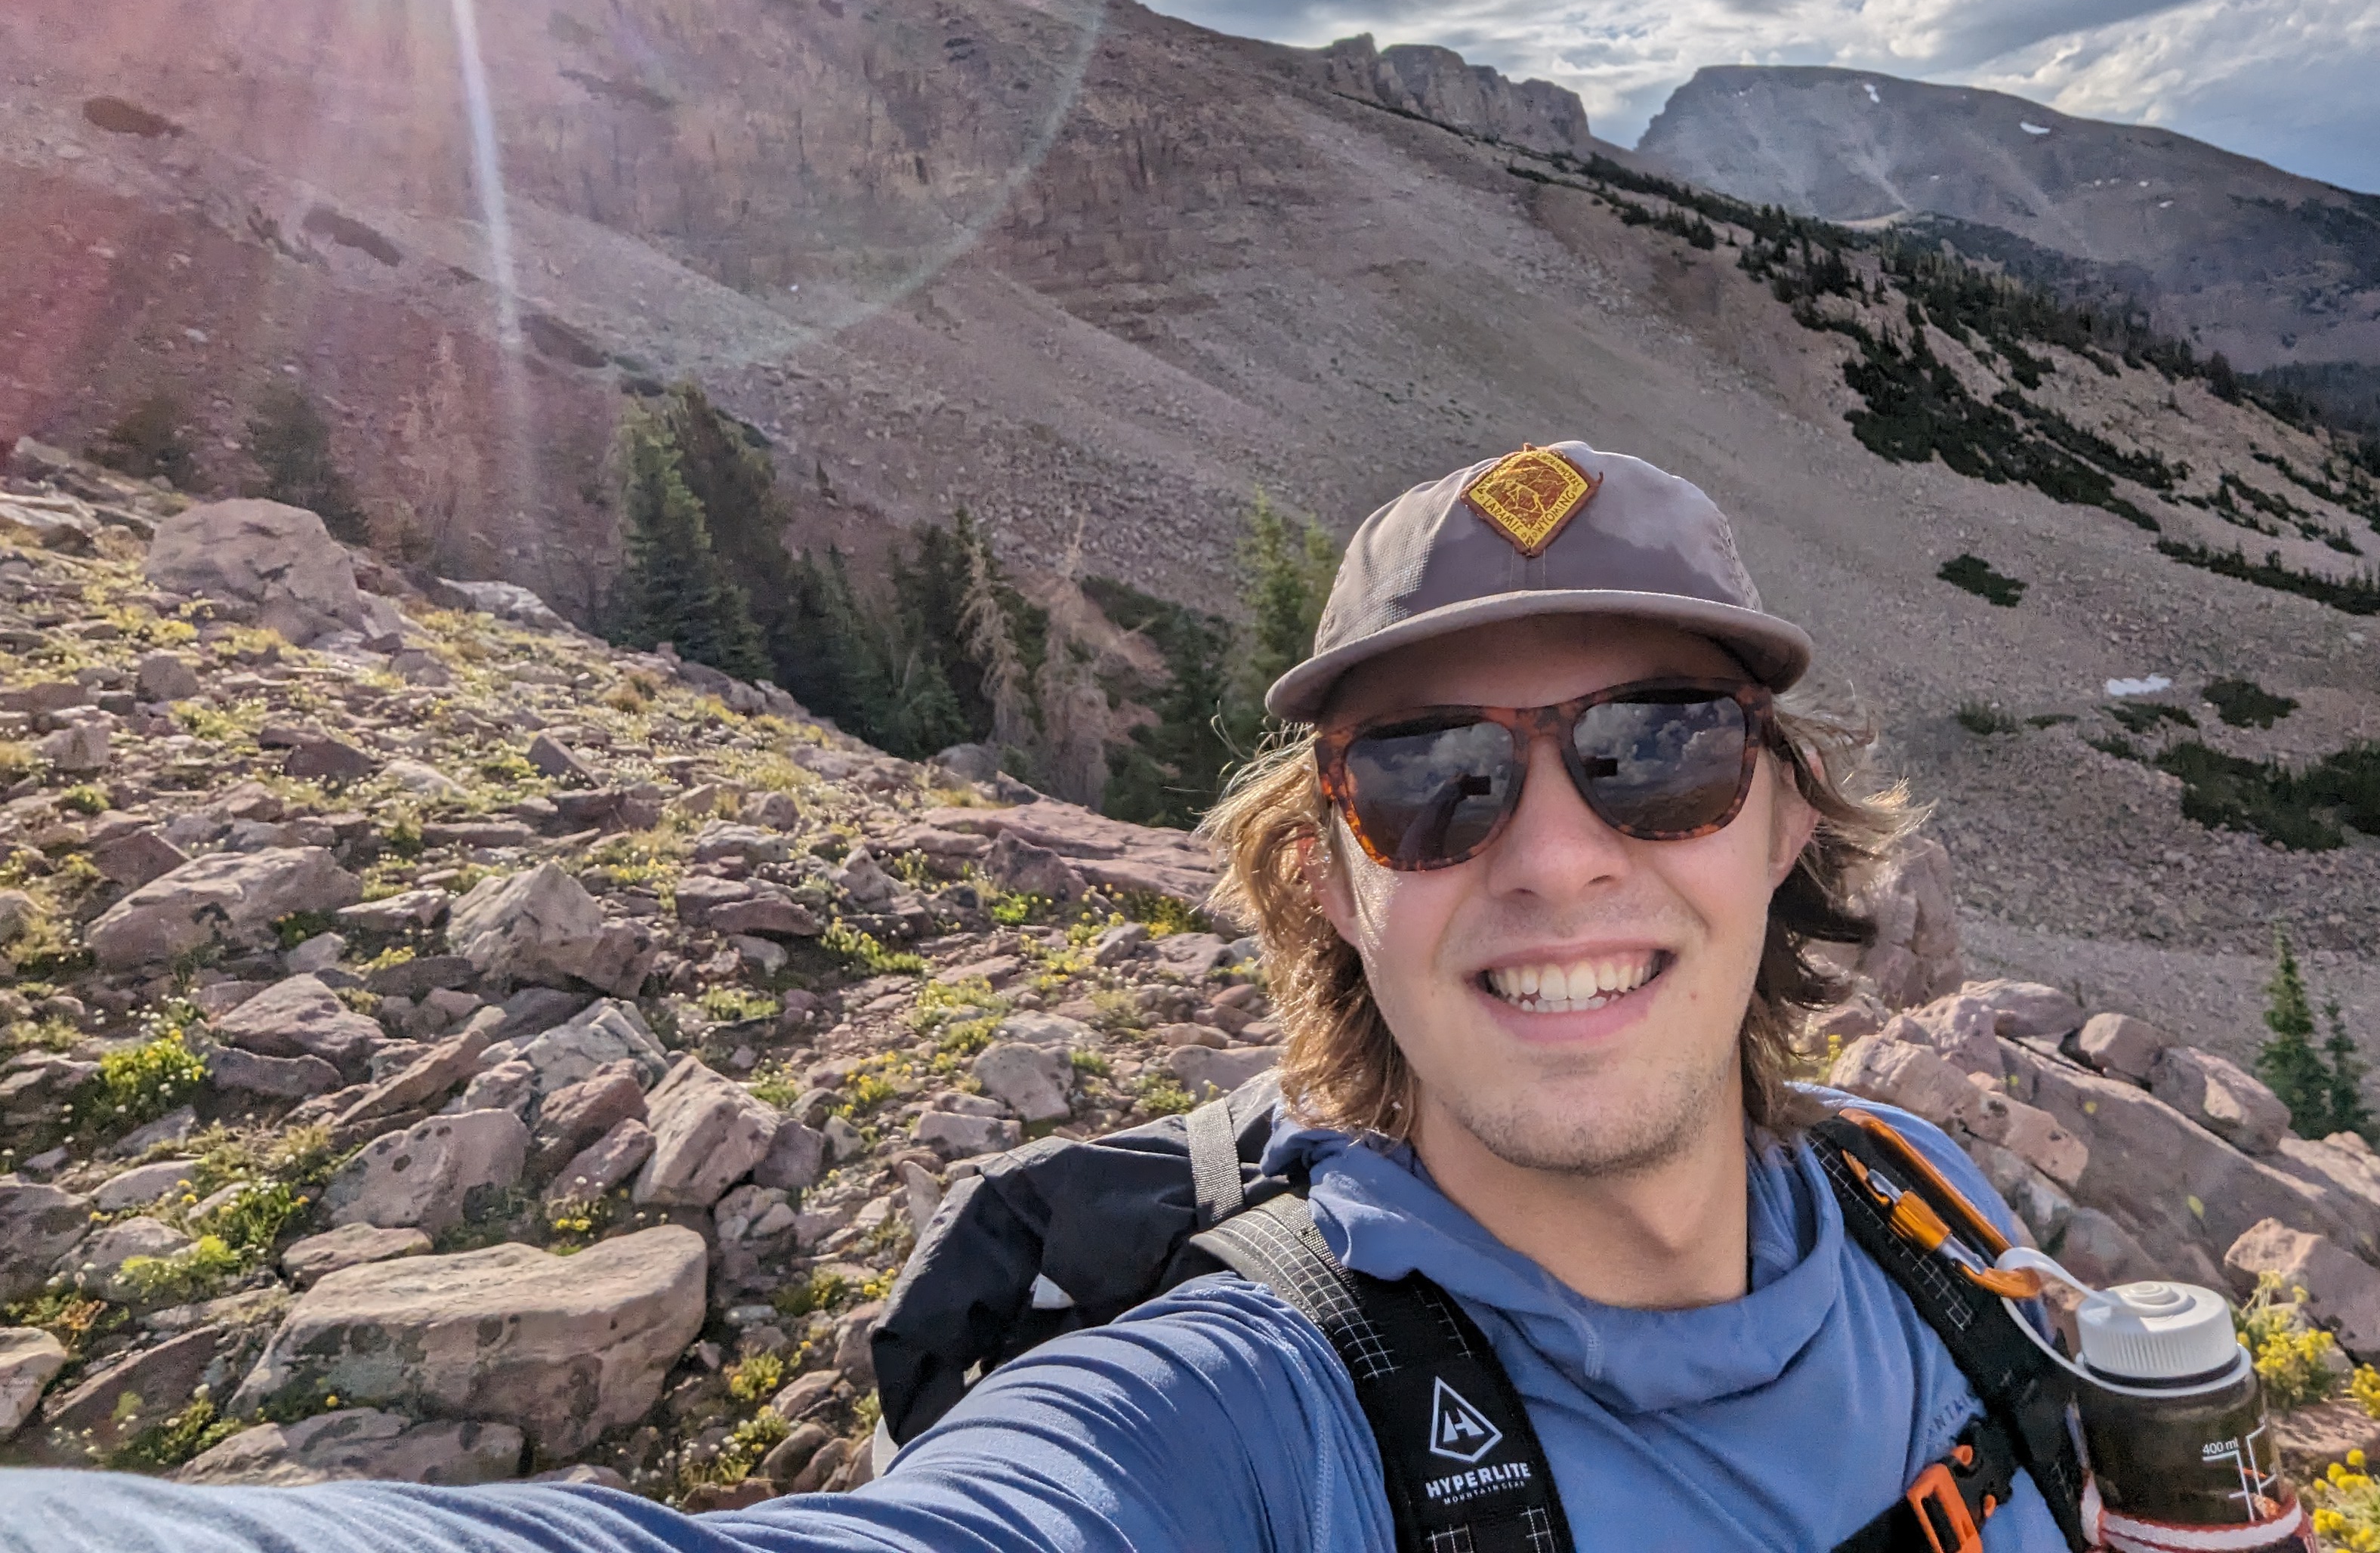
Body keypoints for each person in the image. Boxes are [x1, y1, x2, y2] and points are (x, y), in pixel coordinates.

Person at [3, 443, 2073, 1553]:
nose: (1554, 853)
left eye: (1656, 746)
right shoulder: (1249, 1421)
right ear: (1334, 882)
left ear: (1782, 825)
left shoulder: (1920, 1212)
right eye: (1433, 781)